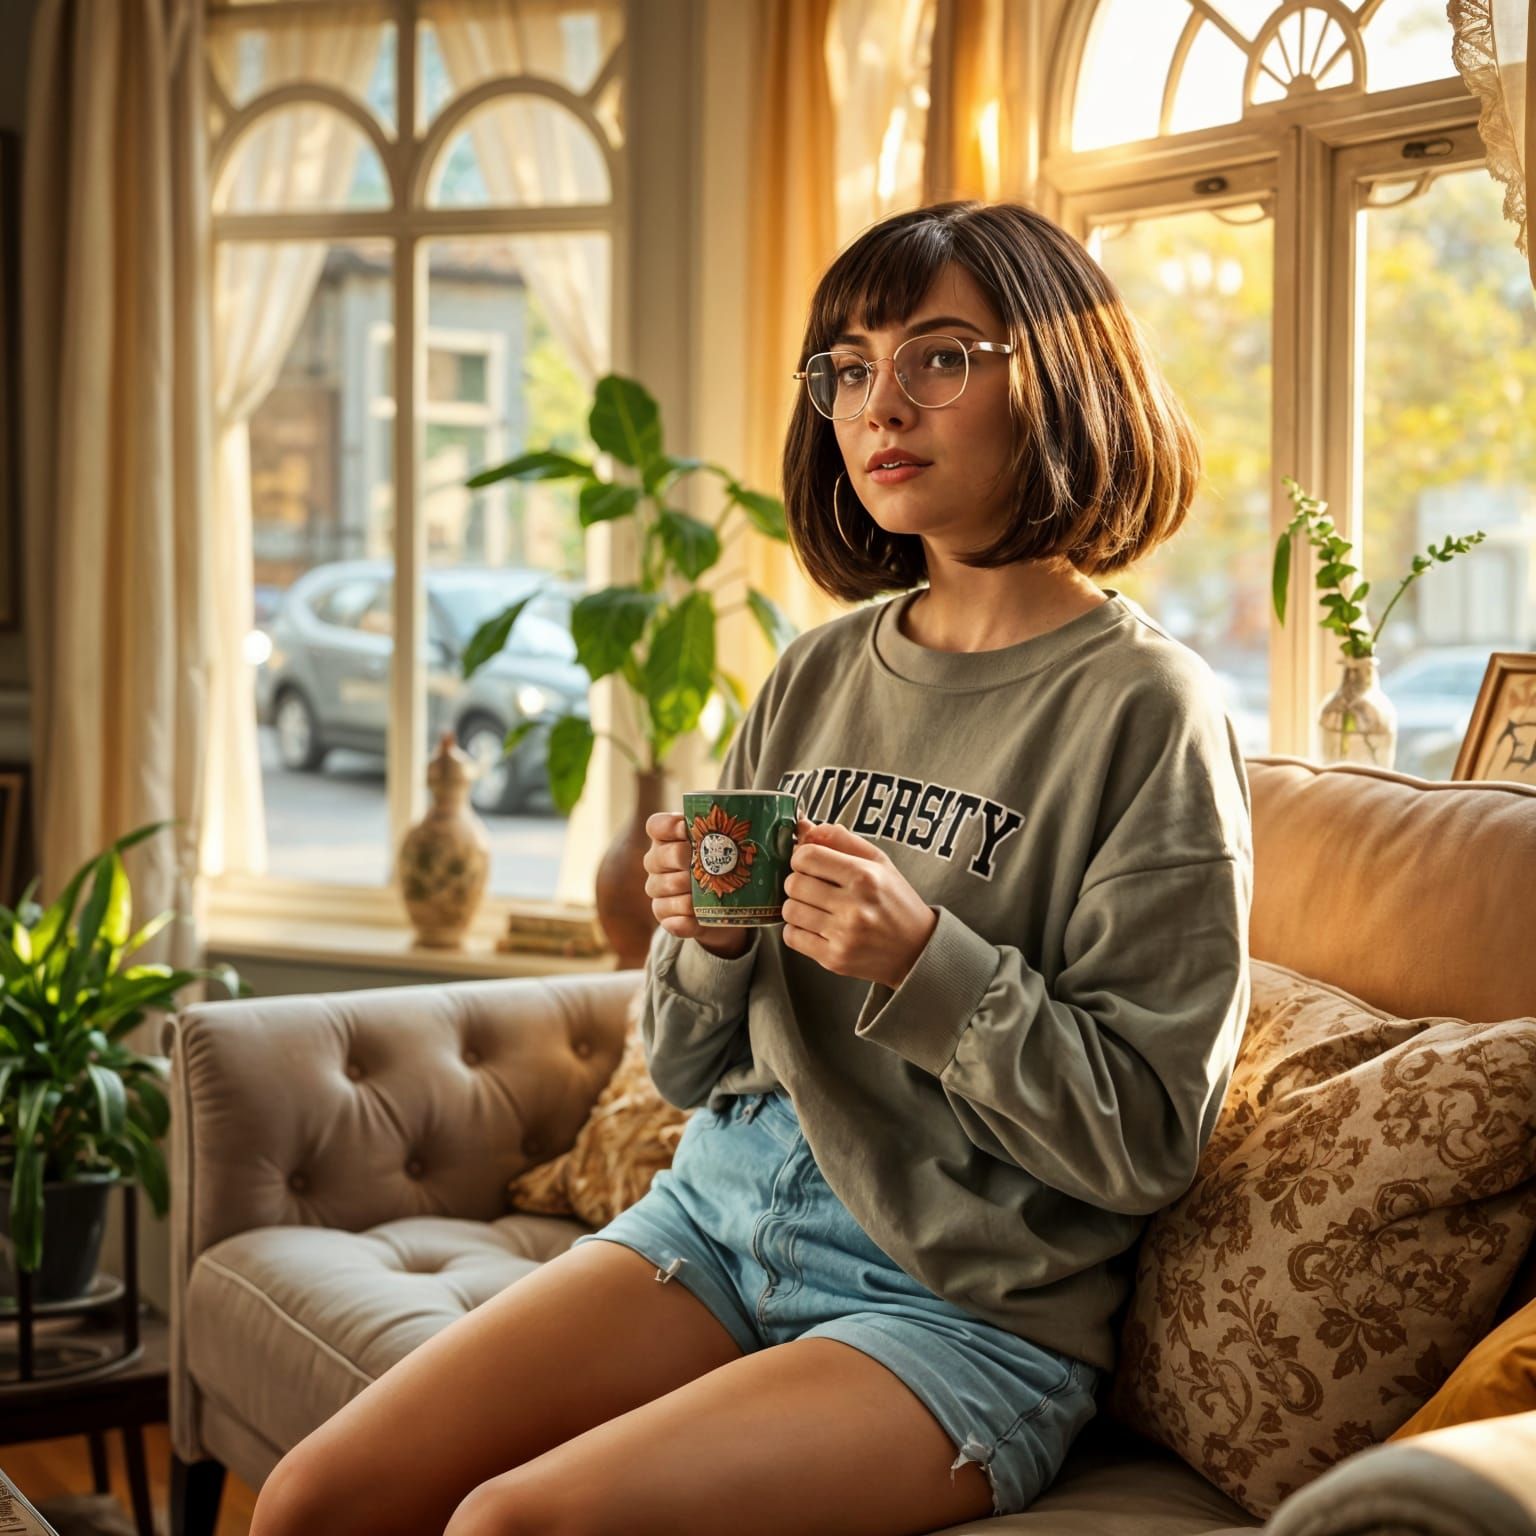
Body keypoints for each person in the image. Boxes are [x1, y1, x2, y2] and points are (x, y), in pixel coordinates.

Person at [250, 199, 1253, 1536]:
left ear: (1061, 380)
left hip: (958, 1313)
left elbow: (1146, 1140)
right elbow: (681, 1067)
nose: (881, 405)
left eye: (938, 357)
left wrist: (922, 962)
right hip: (712, 1227)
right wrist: (711, 944)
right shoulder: (815, 674)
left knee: (509, 1526)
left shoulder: (1147, 709)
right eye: (849, 367)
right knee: (314, 1501)